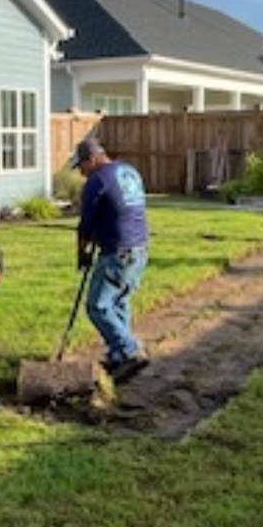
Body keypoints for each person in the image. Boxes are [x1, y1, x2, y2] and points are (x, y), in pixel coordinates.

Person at [75, 139, 151, 381]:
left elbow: (85, 226)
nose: (81, 172)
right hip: (139, 248)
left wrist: (82, 254)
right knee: (118, 302)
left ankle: (130, 351)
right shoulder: (129, 171)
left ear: (93, 159)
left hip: (118, 251)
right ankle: (119, 356)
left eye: (82, 165)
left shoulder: (96, 181)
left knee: (97, 306)